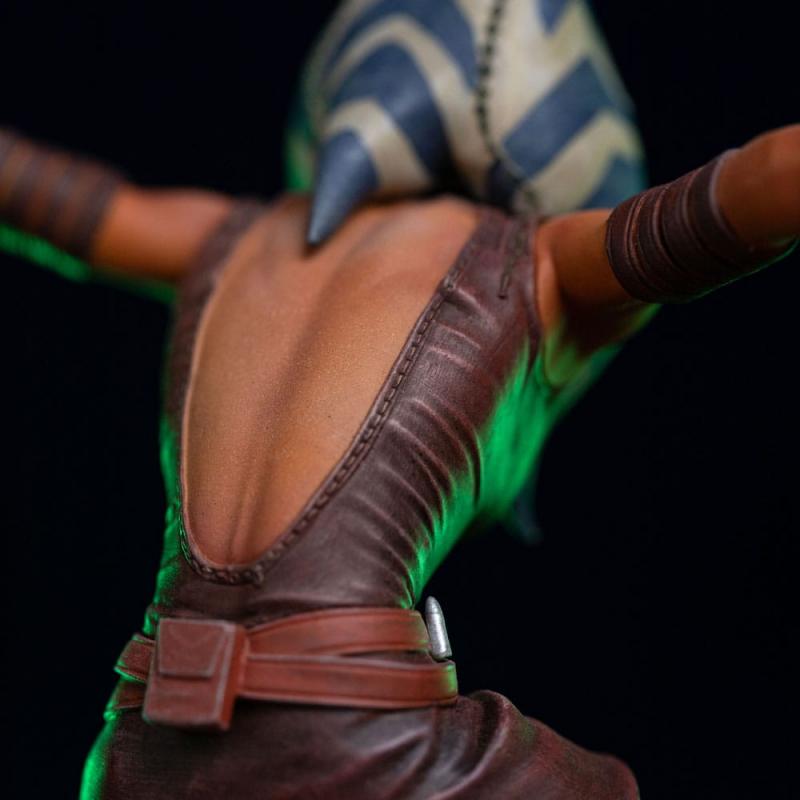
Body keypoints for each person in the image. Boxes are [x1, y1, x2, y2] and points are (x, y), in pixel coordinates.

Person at [1, 119, 797, 797]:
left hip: (138, 738)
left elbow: (40, 193)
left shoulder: (224, 235)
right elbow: (754, 187)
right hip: (354, 736)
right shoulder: (536, 260)